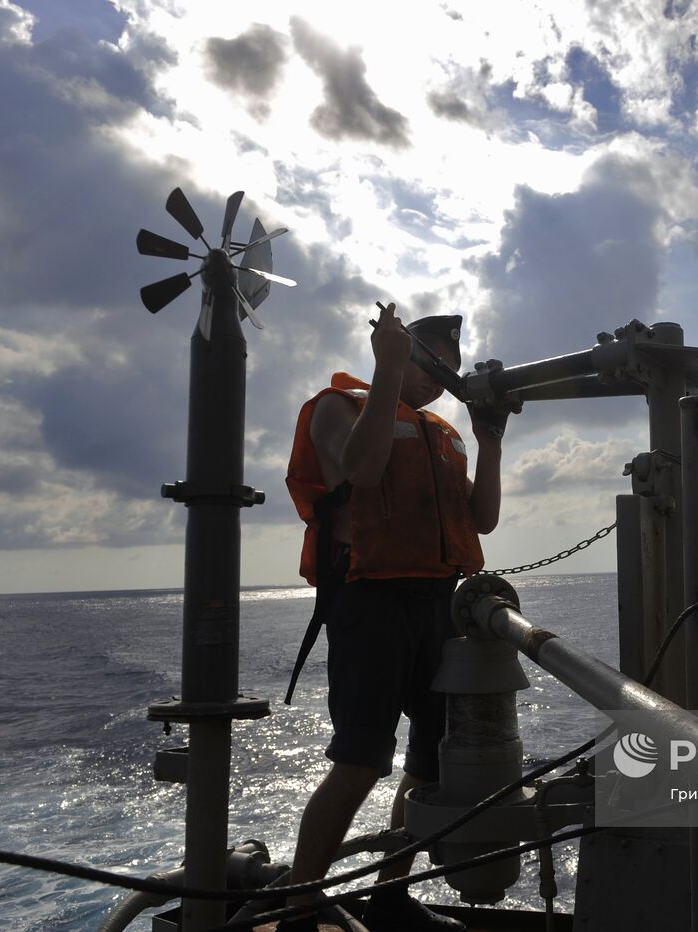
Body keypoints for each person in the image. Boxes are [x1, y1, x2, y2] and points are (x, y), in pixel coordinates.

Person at [281, 303, 510, 931]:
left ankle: (391, 894)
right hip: (370, 601)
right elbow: (363, 469)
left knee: (429, 761)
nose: (440, 380)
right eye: (432, 363)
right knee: (360, 758)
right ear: (397, 352)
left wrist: (489, 441)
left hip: (437, 604)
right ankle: (300, 903)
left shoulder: (443, 433)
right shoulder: (341, 407)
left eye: (450, 371)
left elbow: (481, 517)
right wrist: (385, 370)